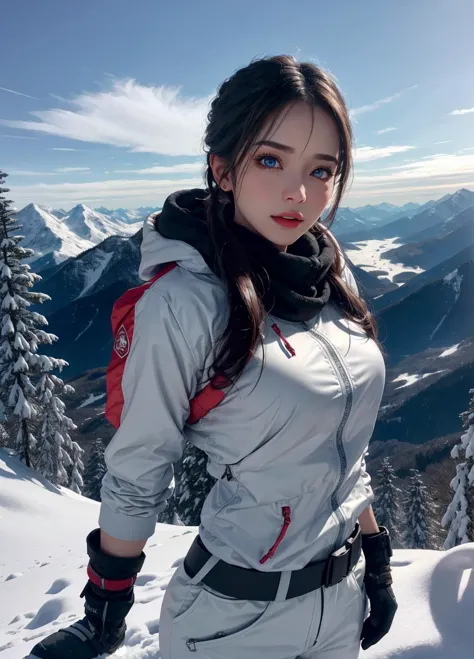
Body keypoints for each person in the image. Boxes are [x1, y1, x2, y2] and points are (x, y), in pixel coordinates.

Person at [29, 54, 398, 659]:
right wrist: (107, 607)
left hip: (341, 603)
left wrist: (375, 558)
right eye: (270, 159)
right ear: (222, 169)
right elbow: (139, 464)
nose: (298, 193)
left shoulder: (328, 270)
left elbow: (339, 445)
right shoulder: (183, 303)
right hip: (234, 621)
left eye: (323, 170)